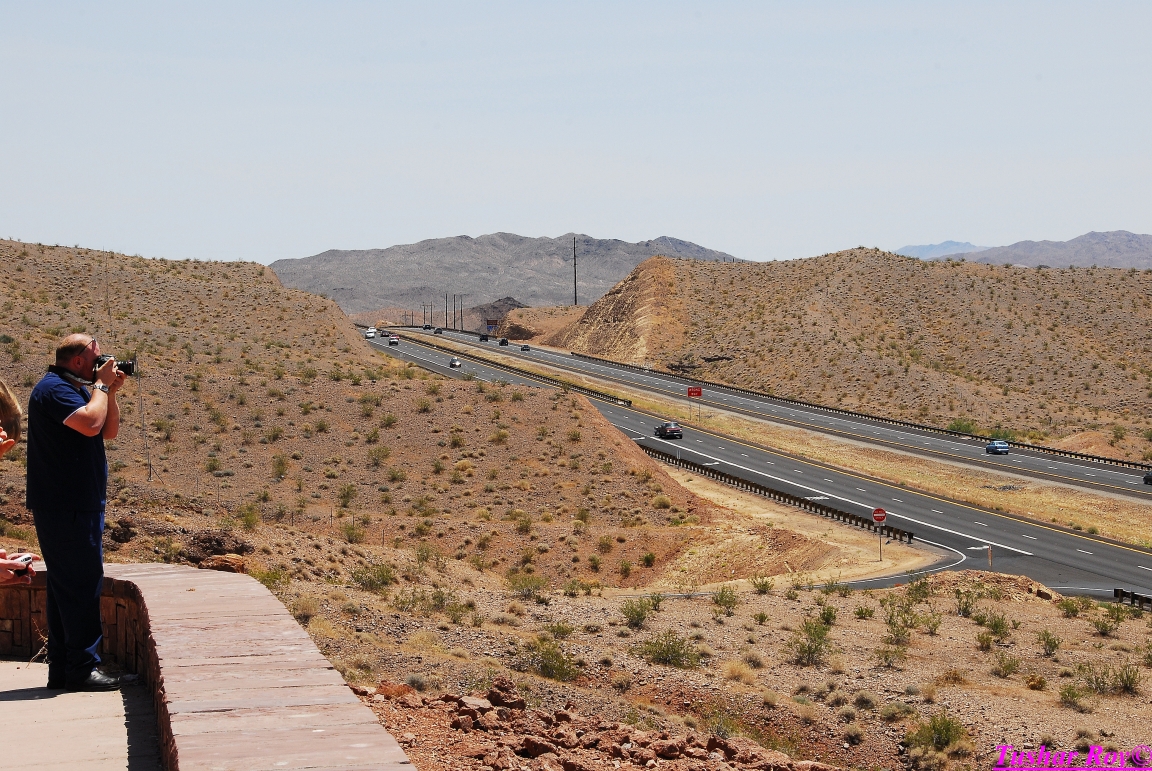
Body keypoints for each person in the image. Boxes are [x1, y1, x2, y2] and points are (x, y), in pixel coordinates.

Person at [27, 334, 128, 691]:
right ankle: (83, 668)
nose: (104, 363)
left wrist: (109, 391)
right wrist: (100, 385)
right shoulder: (53, 389)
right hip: (64, 504)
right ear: (77, 361)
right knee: (82, 584)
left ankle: (65, 669)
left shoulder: (78, 390)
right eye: (97, 358)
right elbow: (88, 423)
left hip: (76, 503)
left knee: (66, 587)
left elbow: (107, 430)